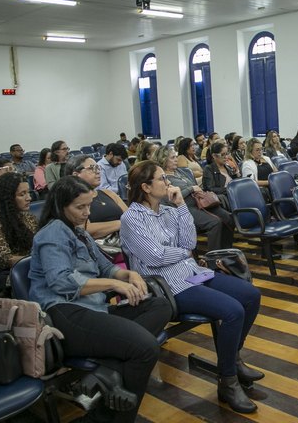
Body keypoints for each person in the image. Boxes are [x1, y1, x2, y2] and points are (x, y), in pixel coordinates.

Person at [29, 176, 174, 423]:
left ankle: (106, 373)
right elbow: (60, 282)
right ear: (60, 206)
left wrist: (128, 274)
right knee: (145, 348)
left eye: (88, 206)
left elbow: (106, 268)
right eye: (80, 207)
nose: (87, 213)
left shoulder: (79, 233)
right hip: (65, 314)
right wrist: (114, 284)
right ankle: (115, 417)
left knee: (162, 305)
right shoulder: (52, 233)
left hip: (93, 310)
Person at [120, 161, 262, 414]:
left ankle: (232, 359)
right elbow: (155, 257)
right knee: (233, 311)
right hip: (168, 285)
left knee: (250, 295)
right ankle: (227, 381)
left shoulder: (169, 210)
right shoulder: (131, 218)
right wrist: (184, 252)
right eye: (162, 179)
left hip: (192, 273)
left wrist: (182, 205)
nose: (168, 182)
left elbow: (191, 240)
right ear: (145, 186)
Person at [152, 146, 234, 251]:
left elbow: (196, 187)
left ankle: (226, 251)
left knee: (228, 217)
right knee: (215, 223)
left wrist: (196, 189)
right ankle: (214, 259)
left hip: (199, 201)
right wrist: (190, 189)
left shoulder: (182, 172)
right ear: (163, 160)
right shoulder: (162, 177)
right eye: (173, 158)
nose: (176, 159)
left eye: (176, 157)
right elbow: (169, 198)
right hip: (184, 207)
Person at [0, 172, 37, 299]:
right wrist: (36, 260)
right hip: (1, 277)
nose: (29, 198)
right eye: (22, 194)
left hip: (28, 266)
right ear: (8, 198)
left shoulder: (29, 218)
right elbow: (4, 259)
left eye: (28, 193)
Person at [62, 155, 128, 242]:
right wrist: (122, 224)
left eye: (98, 167)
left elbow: (130, 217)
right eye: (91, 168)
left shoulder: (108, 193)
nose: (97, 172)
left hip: (126, 239)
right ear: (76, 175)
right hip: (102, 247)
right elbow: (85, 229)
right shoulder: (71, 200)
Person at [202, 142, 241, 209]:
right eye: (223, 154)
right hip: (225, 199)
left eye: (227, 154)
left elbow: (236, 181)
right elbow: (210, 189)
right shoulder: (209, 169)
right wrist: (229, 189)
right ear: (214, 156)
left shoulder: (228, 167)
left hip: (235, 194)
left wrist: (236, 173)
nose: (226, 157)